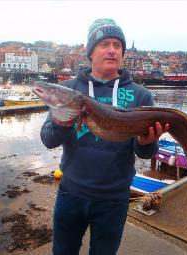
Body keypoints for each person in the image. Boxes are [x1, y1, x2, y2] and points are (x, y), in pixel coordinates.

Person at [40, 18, 169, 255]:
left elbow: (144, 153)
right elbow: (48, 139)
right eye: (104, 44)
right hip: (71, 194)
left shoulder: (141, 96)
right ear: (91, 52)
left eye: (117, 45)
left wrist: (146, 142)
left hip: (114, 200)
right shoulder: (68, 90)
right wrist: (60, 121)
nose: (112, 50)